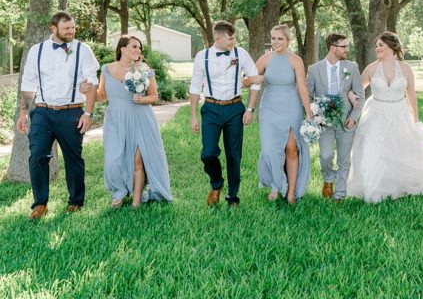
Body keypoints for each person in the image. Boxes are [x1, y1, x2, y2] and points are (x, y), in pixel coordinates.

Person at [346, 31, 423, 202]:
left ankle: (402, 183)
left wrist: (416, 119)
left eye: (380, 45)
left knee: (402, 147)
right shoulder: (372, 68)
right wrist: (352, 95)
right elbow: (358, 90)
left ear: (392, 46)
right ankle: (376, 184)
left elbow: (411, 95)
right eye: (376, 46)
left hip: (399, 112)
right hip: (376, 113)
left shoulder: (405, 69)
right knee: (375, 147)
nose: (377, 48)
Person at [16, 11, 99, 219]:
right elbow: (28, 84)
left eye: (73, 28)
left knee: (74, 158)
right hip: (43, 111)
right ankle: (40, 204)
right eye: (66, 28)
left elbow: (92, 84)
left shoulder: (83, 50)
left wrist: (88, 113)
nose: (71, 31)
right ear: (53, 29)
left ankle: (75, 202)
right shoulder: (37, 51)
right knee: (37, 156)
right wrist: (23, 113)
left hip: (72, 112)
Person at [189, 19, 259, 206]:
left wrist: (250, 109)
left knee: (234, 154)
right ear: (218, 38)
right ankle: (216, 183)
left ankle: (232, 195)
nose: (233, 41)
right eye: (230, 38)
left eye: (235, 38)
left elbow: (255, 80)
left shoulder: (241, 53)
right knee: (208, 153)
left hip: (235, 108)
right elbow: (195, 87)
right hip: (211, 109)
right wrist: (194, 116)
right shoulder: (202, 56)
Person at [97, 35, 172, 207]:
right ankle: (118, 192)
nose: (138, 50)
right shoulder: (106, 69)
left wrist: (142, 99)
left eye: (140, 48)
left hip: (140, 118)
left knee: (138, 160)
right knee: (112, 160)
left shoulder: (145, 70)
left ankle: (136, 201)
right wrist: (88, 90)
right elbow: (102, 96)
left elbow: (154, 96)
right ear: (122, 49)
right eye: (134, 47)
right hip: (115, 119)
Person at [255, 23, 313, 204]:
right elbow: (248, 80)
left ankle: (291, 192)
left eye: (280, 38)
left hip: (292, 107)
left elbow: (302, 87)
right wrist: (252, 79)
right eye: (273, 38)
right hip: (269, 109)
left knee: (292, 150)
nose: (276, 42)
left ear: (288, 40)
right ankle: (275, 184)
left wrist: (309, 113)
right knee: (268, 149)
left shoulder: (296, 60)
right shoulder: (264, 59)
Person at [306, 32, 364, 202]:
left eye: (348, 46)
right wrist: (313, 115)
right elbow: (308, 96)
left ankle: (339, 194)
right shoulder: (314, 69)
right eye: (344, 46)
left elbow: (359, 95)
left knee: (344, 160)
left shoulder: (351, 67)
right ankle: (328, 179)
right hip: (324, 122)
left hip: (346, 122)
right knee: (325, 155)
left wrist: (353, 117)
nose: (347, 49)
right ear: (333, 48)